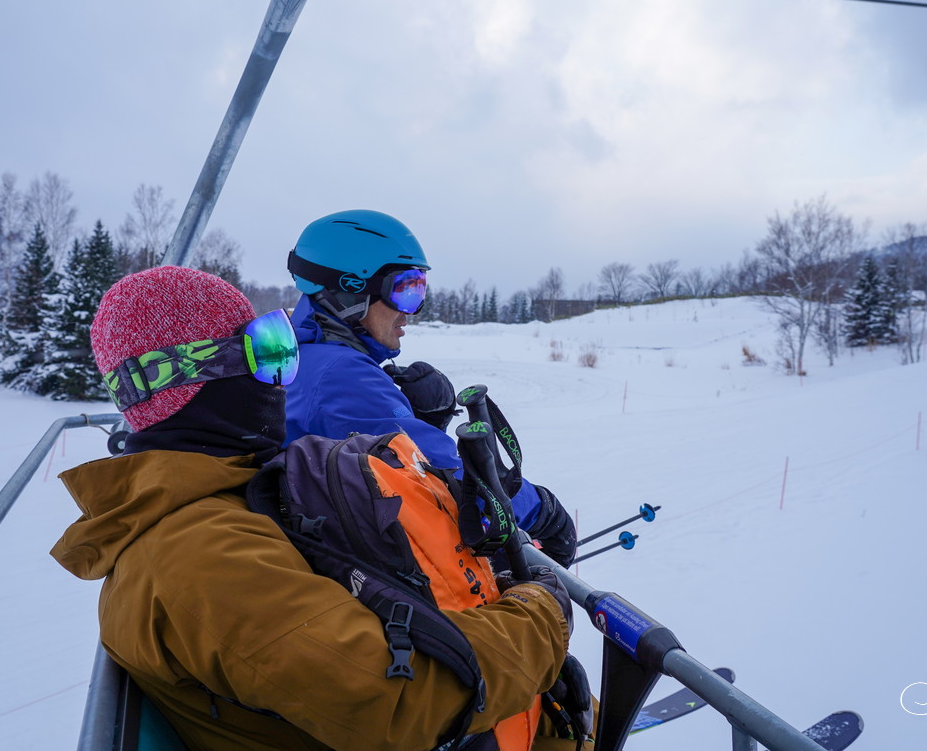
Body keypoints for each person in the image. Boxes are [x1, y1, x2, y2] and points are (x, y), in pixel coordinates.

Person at [50, 265, 575, 751]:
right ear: (185, 380)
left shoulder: (232, 495)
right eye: (267, 350)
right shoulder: (195, 556)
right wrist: (541, 614)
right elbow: (400, 698)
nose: (285, 377)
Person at [284, 209, 578, 567]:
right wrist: (541, 510)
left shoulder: (299, 355)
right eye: (404, 290)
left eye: (419, 290)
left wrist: (418, 420)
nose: (411, 313)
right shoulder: (339, 376)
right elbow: (447, 480)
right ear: (351, 291)